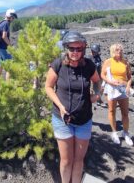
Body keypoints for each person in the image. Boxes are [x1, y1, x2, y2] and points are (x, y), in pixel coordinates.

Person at [45, 31, 101, 183]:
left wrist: (97, 94)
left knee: (78, 160)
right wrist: (61, 106)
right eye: (72, 48)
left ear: (83, 49)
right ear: (66, 48)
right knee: (66, 160)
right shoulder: (58, 64)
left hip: (84, 120)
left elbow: (97, 81)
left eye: (79, 49)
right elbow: (48, 87)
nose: (75, 52)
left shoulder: (89, 65)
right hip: (62, 119)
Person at [101, 43, 133, 146]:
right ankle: (114, 132)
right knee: (111, 110)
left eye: (120, 50)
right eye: (116, 50)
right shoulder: (108, 62)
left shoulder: (125, 62)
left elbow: (129, 77)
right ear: (112, 51)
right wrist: (110, 82)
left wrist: (128, 86)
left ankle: (126, 133)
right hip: (111, 89)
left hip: (123, 89)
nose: (119, 52)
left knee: (125, 112)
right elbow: (102, 74)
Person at [0, 8, 18, 87]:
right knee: (9, 68)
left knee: (0, 66)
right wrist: (10, 45)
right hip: (4, 49)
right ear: (10, 16)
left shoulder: (0, 23)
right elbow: (4, 36)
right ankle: (9, 87)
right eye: (13, 17)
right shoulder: (6, 24)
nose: (13, 19)